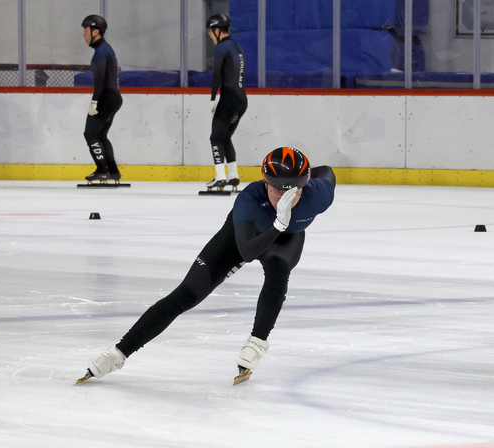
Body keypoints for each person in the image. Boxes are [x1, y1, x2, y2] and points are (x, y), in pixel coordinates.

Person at [78, 147, 335, 384]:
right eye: (280, 191)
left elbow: (327, 173)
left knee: (278, 269)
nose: (288, 199)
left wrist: (285, 222)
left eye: (296, 191)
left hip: (286, 239)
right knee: (186, 294)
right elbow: (246, 250)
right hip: (242, 237)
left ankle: (256, 343)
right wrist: (278, 223)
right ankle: (118, 353)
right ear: (265, 182)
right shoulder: (249, 201)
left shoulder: (318, 195)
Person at [205, 13, 248, 190]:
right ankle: (233, 176)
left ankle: (221, 177)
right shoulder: (236, 47)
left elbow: (217, 74)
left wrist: (213, 98)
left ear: (216, 30)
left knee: (215, 137)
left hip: (229, 98)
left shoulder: (221, 48)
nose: (209, 36)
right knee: (225, 137)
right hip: (241, 99)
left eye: (210, 32)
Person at [81, 14, 122, 182]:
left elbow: (100, 79)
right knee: (101, 135)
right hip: (113, 97)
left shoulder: (100, 52)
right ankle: (113, 171)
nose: (84, 34)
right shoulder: (106, 48)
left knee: (90, 134)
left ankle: (102, 170)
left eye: (86, 30)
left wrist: (94, 100)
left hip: (105, 97)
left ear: (95, 31)